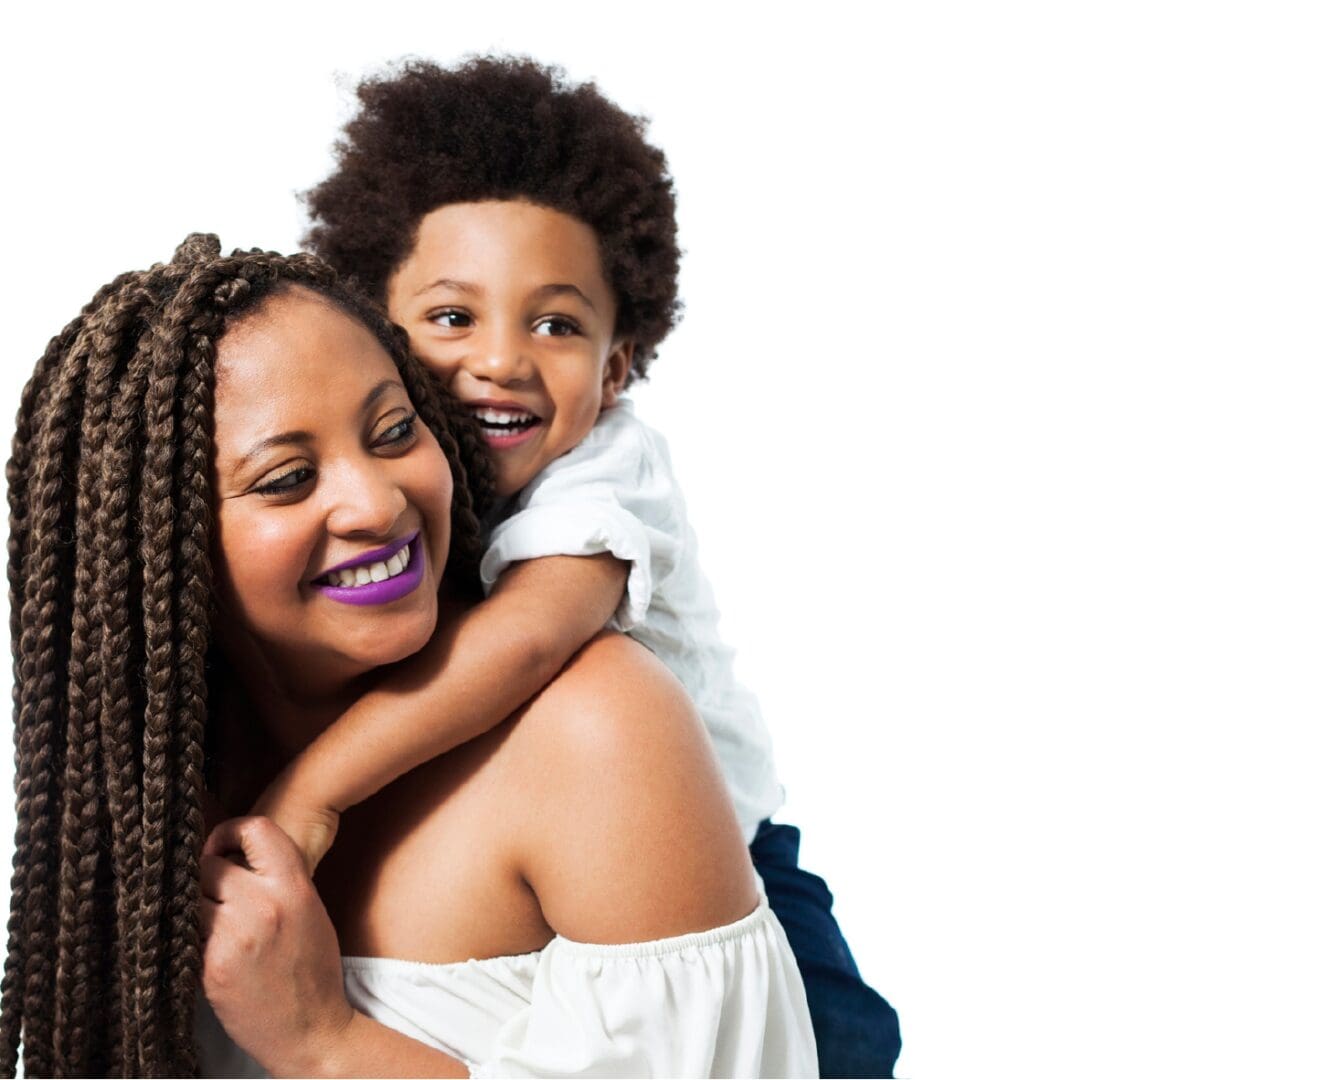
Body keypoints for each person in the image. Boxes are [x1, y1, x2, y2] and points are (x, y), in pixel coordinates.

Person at [0, 235, 817, 1077]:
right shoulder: (142, 803)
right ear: (155, 552)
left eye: (394, 431)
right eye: (287, 479)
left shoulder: (592, 730)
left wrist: (325, 1044)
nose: (377, 502)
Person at [255, 55, 900, 1076]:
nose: (502, 358)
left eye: (554, 324)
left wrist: (311, 792)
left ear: (615, 366)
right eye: (453, 317)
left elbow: (521, 642)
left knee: (828, 1049)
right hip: (581, 867)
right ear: (375, 330)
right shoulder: (396, 476)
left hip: (740, 864)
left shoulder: (607, 473)